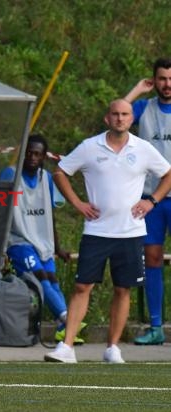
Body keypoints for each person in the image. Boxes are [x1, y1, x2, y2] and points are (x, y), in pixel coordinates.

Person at [45, 99, 171, 364]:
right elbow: (60, 172)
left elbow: (168, 173)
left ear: (130, 119)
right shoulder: (90, 147)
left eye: (125, 114)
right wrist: (78, 203)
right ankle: (67, 346)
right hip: (97, 230)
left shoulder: (143, 148)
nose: (120, 118)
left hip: (131, 231)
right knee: (82, 285)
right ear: (107, 118)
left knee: (123, 289)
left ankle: (112, 347)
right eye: (115, 114)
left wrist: (152, 200)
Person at [0, 134, 86, 344]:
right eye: (29, 152)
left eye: (37, 153)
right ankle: (68, 320)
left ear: (43, 157)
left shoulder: (47, 178)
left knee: (52, 281)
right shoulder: (9, 175)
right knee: (41, 278)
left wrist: (58, 247)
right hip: (18, 241)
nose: (32, 157)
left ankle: (63, 326)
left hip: (43, 242)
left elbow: (50, 214)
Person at [124, 57, 171, 345]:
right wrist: (135, 92)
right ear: (155, 81)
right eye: (163, 79)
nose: (168, 84)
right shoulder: (144, 108)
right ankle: (156, 327)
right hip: (152, 199)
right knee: (151, 259)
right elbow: (118, 115)